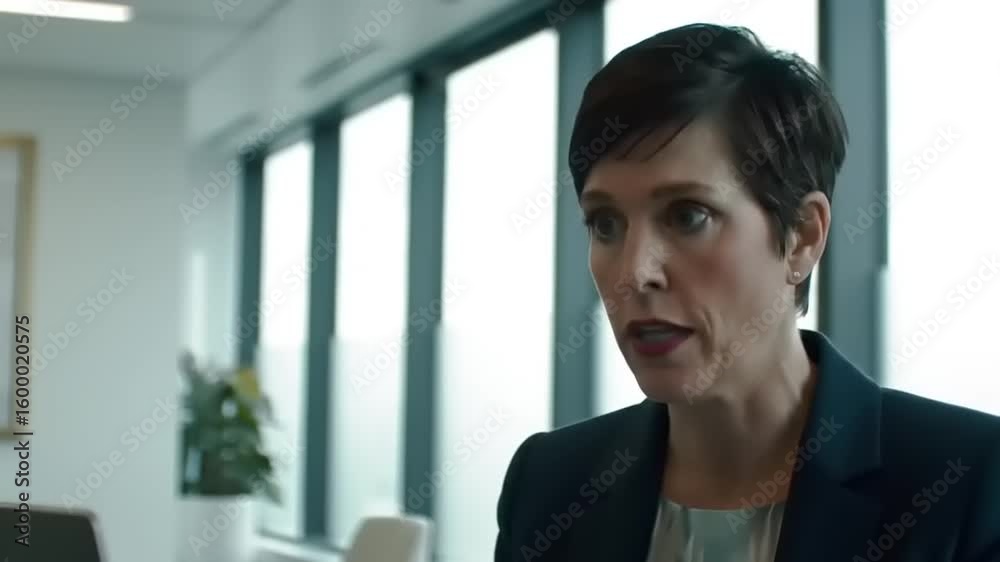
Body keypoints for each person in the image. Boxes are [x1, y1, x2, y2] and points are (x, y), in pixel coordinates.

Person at [493, 23, 1000, 562]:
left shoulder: (967, 481)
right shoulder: (549, 484)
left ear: (802, 236)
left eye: (688, 216)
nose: (635, 274)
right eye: (606, 223)